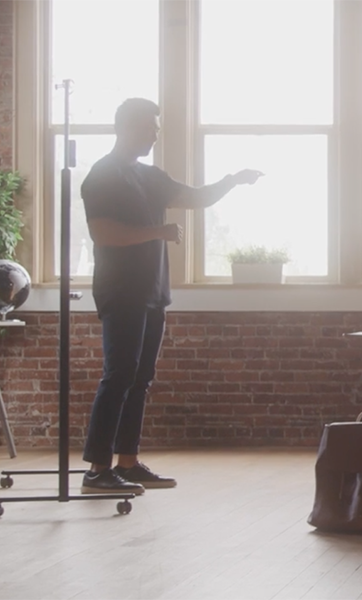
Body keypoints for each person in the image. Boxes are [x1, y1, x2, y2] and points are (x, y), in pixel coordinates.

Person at [79, 98, 263, 494]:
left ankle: (127, 462)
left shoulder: (149, 176)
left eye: (157, 127)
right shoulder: (102, 175)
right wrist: (157, 233)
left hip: (151, 291)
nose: (155, 133)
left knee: (140, 378)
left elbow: (195, 198)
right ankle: (97, 468)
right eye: (150, 126)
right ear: (125, 127)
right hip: (121, 291)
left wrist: (232, 180)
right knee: (118, 376)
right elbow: (103, 233)